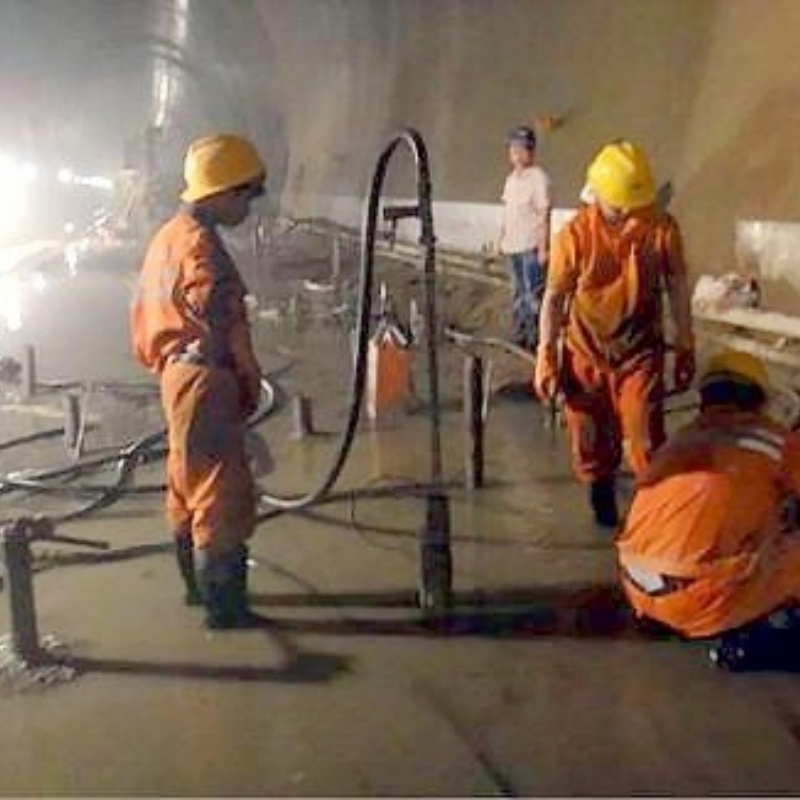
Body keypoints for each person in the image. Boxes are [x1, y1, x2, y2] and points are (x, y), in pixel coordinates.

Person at [131, 134, 266, 629]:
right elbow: (213, 305)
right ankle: (225, 611)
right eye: (248, 194)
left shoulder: (167, 236)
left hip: (176, 374)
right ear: (223, 192)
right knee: (220, 490)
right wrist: (241, 373)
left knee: (185, 480)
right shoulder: (200, 244)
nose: (250, 206)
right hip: (207, 377)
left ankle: (196, 590)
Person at [535, 139, 695, 527]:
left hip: (639, 352)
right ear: (598, 196)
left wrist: (685, 342)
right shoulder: (575, 236)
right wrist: (546, 354)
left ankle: (652, 519)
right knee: (589, 438)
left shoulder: (659, 227)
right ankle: (602, 501)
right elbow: (554, 299)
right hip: (585, 352)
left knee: (645, 441)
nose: (627, 214)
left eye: (634, 206)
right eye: (620, 206)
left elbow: (676, 285)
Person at [616, 351, 800, 671]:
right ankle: (753, 641)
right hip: (705, 600)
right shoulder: (777, 442)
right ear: (759, 400)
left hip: (638, 586)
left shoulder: (679, 441)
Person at [498, 125, 552, 351]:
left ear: (531, 151)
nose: (517, 154)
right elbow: (507, 213)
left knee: (533, 294)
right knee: (517, 292)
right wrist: (501, 238)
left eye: (521, 149)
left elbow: (544, 214)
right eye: (513, 150)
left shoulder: (539, 178)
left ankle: (535, 338)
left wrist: (543, 248)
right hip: (512, 247)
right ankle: (520, 334)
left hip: (530, 246)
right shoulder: (510, 180)